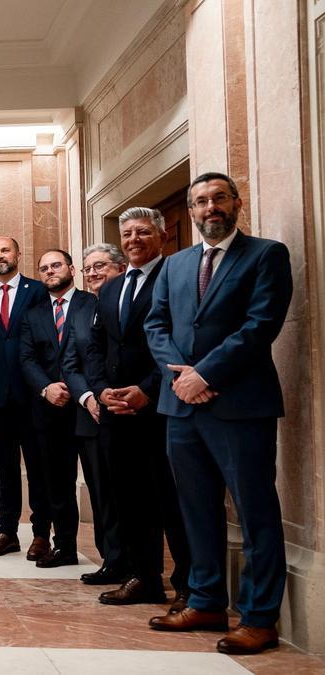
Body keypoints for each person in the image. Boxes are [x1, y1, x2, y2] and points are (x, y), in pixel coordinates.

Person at [145, 173, 292, 655]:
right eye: (201, 201)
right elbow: (156, 324)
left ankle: (258, 617)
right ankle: (207, 600)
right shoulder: (174, 265)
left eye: (219, 198)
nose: (211, 207)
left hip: (239, 406)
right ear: (190, 211)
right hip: (181, 409)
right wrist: (179, 378)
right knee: (196, 511)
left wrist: (204, 375)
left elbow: (260, 325)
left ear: (236, 203)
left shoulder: (266, 255)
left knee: (255, 513)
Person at [85, 209, 191, 609]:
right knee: (129, 499)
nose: (133, 239)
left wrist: (147, 390)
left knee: (172, 500)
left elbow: (178, 340)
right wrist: (101, 390)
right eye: (126, 233)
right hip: (115, 412)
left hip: (160, 409)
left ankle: (187, 584)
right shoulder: (111, 288)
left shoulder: (175, 277)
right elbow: (97, 346)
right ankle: (144, 577)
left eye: (143, 232)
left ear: (161, 237)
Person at [0, 236, 51, 559]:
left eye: (5, 250)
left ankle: (42, 533)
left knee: (37, 467)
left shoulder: (38, 291)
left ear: (18, 254)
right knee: (5, 467)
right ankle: (7, 532)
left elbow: (47, 343)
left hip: (33, 395)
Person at [19, 249, 96, 568]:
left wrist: (81, 389)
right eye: (43, 268)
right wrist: (46, 387)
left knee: (99, 481)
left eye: (56, 265)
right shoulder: (33, 314)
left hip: (89, 406)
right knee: (58, 483)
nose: (50, 271)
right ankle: (64, 546)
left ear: (72, 269)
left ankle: (113, 554)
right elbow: (26, 359)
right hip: (49, 408)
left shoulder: (92, 304)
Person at [61, 243, 127, 586]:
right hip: (91, 416)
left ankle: (139, 565)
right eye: (88, 269)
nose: (94, 273)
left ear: (120, 267)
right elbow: (70, 363)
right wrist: (88, 397)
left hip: (131, 412)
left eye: (101, 266)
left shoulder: (131, 302)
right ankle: (111, 560)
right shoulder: (83, 311)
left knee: (131, 493)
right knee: (101, 493)